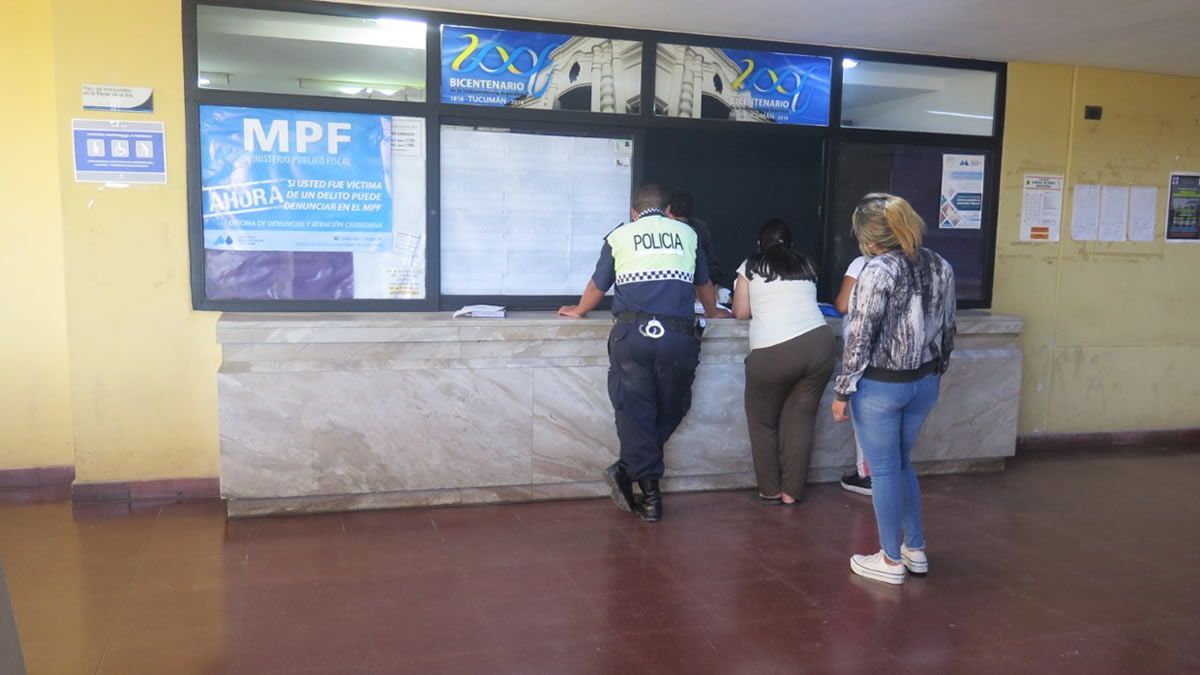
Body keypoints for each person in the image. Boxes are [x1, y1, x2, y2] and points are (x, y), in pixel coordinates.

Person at [559, 184, 725, 522]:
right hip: (677, 338)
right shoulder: (687, 234)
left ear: (634, 211)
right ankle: (643, 485)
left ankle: (642, 489)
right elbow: (703, 283)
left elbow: (598, 285)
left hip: (632, 337)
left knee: (636, 414)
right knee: (674, 407)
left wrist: (579, 310)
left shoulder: (620, 235)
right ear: (666, 210)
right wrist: (713, 312)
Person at [832, 193, 956, 585]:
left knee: (883, 471)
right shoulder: (940, 264)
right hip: (925, 381)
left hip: (881, 387)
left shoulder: (877, 270)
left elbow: (860, 336)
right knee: (902, 464)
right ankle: (914, 549)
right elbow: (949, 328)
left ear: (870, 240)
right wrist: (935, 372)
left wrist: (843, 392)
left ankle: (889, 560)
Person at [733, 219, 835, 505]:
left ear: (759, 244)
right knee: (801, 419)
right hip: (820, 345)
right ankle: (792, 492)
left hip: (774, 350)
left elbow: (740, 312)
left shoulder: (751, 265)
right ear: (791, 244)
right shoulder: (807, 265)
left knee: (762, 422)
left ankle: (770, 489)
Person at [834, 254, 873, 497]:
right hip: (901, 358)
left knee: (865, 414)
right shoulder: (911, 262)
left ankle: (868, 476)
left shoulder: (862, 263)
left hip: (864, 351)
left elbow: (842, 304)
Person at [667, 190, 722, 289]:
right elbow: (713, 269)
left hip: (691, 288)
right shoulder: (700, 228)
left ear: (667, 209)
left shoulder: (699, 229)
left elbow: (712, 270)